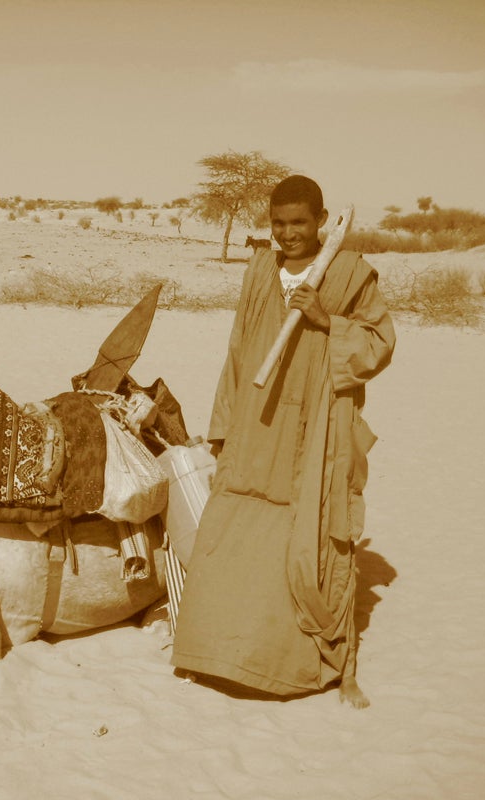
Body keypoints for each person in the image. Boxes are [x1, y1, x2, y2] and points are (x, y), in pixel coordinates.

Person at [171, 175, 395, 708]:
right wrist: (223, 424)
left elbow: (379, 345)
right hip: (255, 422)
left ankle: (299, 665)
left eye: (299, 222)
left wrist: (326, 320)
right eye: (278, 223)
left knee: (309, 533)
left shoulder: (350, 273)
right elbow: (240, 348)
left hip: (315, 427)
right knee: (236, 526)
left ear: (321, 220)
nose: (288, 233)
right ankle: (217, 653)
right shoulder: (258, 269)